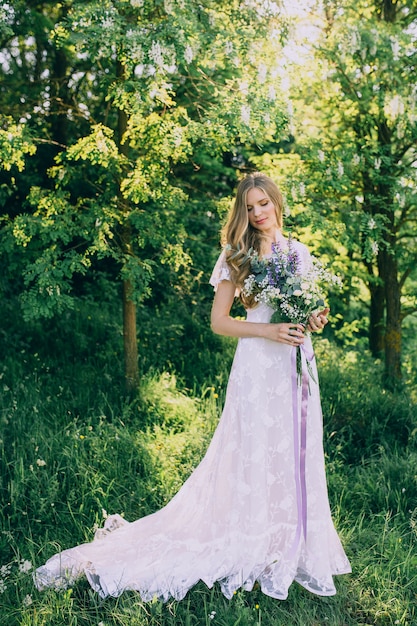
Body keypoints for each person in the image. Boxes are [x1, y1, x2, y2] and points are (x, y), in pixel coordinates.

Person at [34, 172, 351, 601]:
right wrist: (271, 329)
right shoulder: (236, 255)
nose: (258, 213)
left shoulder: (300, 253)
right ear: (242, 211)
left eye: (264, 203)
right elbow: (219, 322)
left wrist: (314, 320)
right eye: (250, 207)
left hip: (295, 365)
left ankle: (285, 541)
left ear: (277, 202)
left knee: (293, 449)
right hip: (259, 366)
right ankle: (247, 538)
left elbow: (309, 310)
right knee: (253, 450)